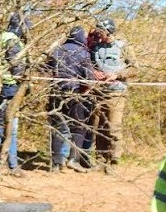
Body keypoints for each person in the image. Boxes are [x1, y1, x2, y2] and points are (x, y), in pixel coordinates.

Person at [46, 26, 95, 172]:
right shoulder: (83, 52)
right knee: (78, 127)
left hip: (55, 92)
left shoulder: (57, 50)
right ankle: (73, 160)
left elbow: (45, 68)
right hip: (75, 93)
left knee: (58, 128)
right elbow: (88, 77)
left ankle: (56, 163)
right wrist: (85, 90)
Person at [87, 18, 133, 172]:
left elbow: (136, 69)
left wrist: (117, 75)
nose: (98, 35)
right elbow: (90, 65)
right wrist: (94, 73)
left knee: (113, 127)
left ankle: (113, 161)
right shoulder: (95, 47)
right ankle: (100, 159)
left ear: (109, 32)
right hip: (99, 92)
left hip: (117, 93)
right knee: (99, 127)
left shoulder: (123, 46)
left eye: (101, 32)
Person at [0, 13, 28, 175]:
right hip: (10, 86)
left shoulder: (2, 37)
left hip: (3, 85)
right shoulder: (12, 40)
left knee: (8, 126)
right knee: (6, 126)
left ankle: (9, 162)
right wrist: (24, 79)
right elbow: (16, 64)